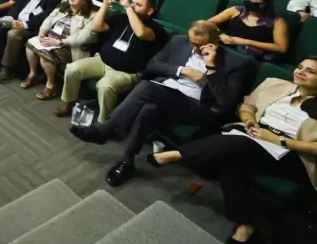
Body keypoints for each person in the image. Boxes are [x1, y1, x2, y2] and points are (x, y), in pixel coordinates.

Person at [147, 57, 317, 244]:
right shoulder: (274, 84)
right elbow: (247, 106)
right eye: (300, 67)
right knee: (233, 159)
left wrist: (279, 141)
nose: (300, 72)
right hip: (255, 136)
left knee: (240, 144)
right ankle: (245, 224)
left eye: (311, 71)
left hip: (295, 155)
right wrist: (250, 122)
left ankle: (178, 154)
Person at [70, 21, 250, 187]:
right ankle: (127, 161)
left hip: (197, 106)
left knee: (146, 88)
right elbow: (152, 64)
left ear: (215, 42)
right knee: (149, 109)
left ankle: (104, 130)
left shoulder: (235, 63)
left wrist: (211, 69)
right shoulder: (180, 41)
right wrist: (182, 70)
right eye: (191, 42)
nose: (193, 48)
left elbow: (225, 101)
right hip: (164, 93)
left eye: (199, 45)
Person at [58, 0, 167, 121]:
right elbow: (96, 27)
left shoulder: (156, 29)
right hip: (102, 61)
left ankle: (104, 121)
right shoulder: (120, 17)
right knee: (72, 69)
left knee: (105, 86)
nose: (132, 6)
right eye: (132, 3)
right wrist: (105, 5)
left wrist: (127, 7)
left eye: (138, 5)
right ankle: (69, 102)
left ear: (149, 11)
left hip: (127, 73)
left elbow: (141, 33)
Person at [25, 0, 98, 100]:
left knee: (45, 56)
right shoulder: (64, 5)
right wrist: (42, 31)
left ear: (84, 0)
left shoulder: (92, 16)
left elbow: (81, 38)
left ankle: (51, 85)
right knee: (30, 44)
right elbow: (50, 18)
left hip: (70, 47)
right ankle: (33, 73)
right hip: (51, 39)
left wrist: (58, 42)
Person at [207, 0, 288, 60]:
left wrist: (246, 42)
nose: (248, 1)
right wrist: (221, 34)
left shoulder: (277, 21)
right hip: (225, 48)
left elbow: (281, 47)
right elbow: (209, 23)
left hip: (248, 56)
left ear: (265, 3)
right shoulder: (235, 10)